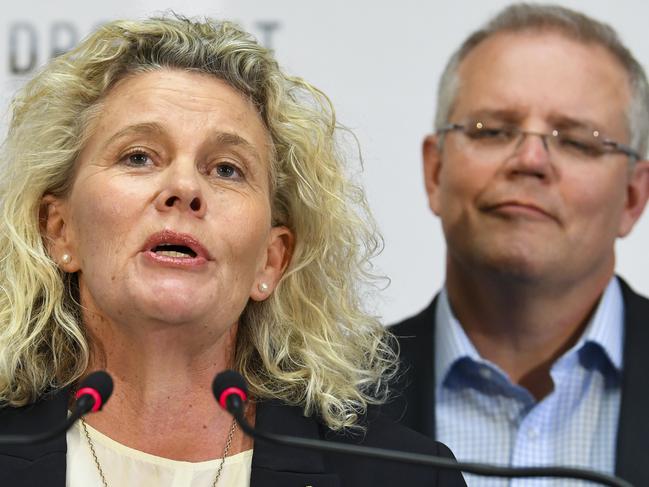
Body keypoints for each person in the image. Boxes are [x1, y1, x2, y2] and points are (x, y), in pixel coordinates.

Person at [0, 16, 466, 487]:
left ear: (272, 259)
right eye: (138, 156)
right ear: (59, 231)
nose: (184, 187)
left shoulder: (402, 476)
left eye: (226, 169)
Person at [386, 3, 649, 486]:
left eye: (577, 141)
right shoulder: (321, 398)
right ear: (435, 171)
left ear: (633, 197)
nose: (530, 160)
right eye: (493, 131)